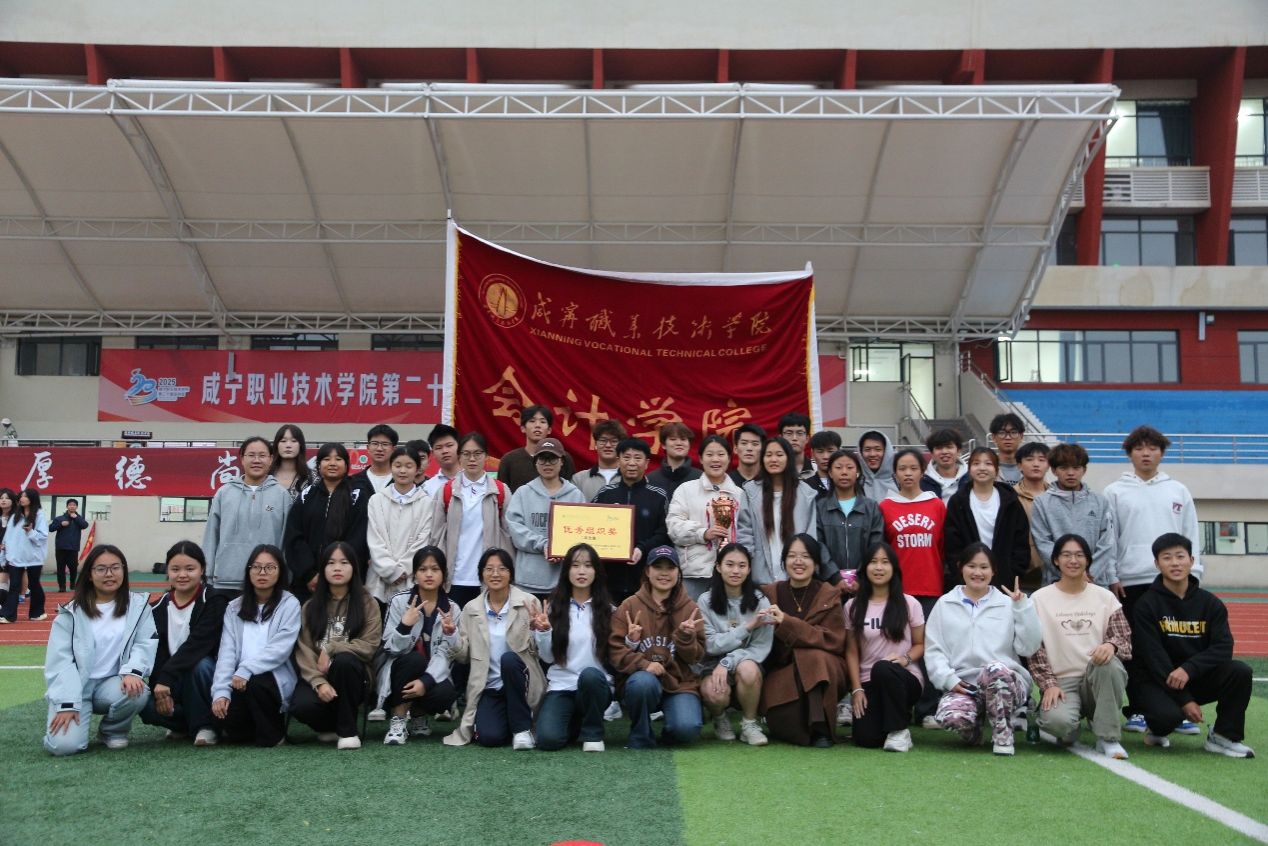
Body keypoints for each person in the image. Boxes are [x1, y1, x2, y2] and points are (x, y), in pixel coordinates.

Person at [1104, 426, 1201, 735]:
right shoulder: (1114, 491)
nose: (1146, 454)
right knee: (1134, 648)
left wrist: (1194, 573)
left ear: (1162, 453)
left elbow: (1191, 533)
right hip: (1129, 582)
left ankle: (1178, 707)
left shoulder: (1178, 490)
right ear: (1129, 453)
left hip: (1173, 581)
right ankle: (1138, 709)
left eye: (1152, 448)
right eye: (1139, 448)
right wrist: (1112, 574)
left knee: (1175, 646)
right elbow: (1109, 537)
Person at [1128, 533, 1254, 757]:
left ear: (1192, 560)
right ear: (1157, 564)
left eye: (1180, 556)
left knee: (1239, 671)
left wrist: (1189, 669)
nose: (1175, 563)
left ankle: (1224, 736)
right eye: (1167, 558)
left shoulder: (1210, 603)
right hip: (1156, 681)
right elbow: (1153, 658)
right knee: (1168, 717)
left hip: (1193, 677)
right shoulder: (1146, 605)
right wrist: (1184, 700)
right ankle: (1157, 728)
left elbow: (1223, 647)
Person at [924, 543, 1042, 756]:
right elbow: (934, 650)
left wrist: (1022, 607)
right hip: (965, 686)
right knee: (951, 718)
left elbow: (1029, 647)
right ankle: (974, 729)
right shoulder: (945, 604)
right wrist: (949, 680)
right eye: (971, 566)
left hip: (1005, 681)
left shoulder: (1008, 604)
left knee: (994, 669)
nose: (977, 572)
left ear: (993, 571)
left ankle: (1003, 735)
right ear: (961, 568)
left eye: (984, 567)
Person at [43, 544, 156, 755]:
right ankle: (60, 727)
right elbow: (60, 661)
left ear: (123, 570)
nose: (109, 574)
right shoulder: (71, 613)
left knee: (138, 691)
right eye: (101, 569)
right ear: (89, 574)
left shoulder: (139, 606)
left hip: (112, 684)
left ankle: (112, 731)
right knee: (64, 747)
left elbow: (144, 644)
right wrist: (67, 703)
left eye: (115, 567)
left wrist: (133, 672)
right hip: (77, 687)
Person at [1031, 534, 1132, 759]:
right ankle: (1068, 726)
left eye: (1079, 555)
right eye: (1066, 555)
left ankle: (1108, 738)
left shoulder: (1105, 597)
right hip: (1061, 682)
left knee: (1110, 665)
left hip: (1096, 677)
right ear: (1056, 560)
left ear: (1088, 560)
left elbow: (1124, 640)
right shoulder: (1039, 599)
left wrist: (1111, 645)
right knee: (1059, 725)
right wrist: (1048, 684)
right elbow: (1034, 649)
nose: (1073, 560)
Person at [443, 548, 546, 749]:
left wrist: (539, 631)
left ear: (511, 573)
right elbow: (464, 657)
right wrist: (451, 634)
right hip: (490, 686)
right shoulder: (471, 608)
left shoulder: (529, 603)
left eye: (502, 568)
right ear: (481, 574)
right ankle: (509, 722)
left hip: (521, 683)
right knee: (490, 738)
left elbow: (540, 653)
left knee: (509, 659)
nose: (495, 574)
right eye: (489, 569)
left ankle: (522, 730)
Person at [609, 545, 705, 749]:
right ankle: (640, 734)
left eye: (670, 568)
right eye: (658, 567)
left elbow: (696, 658)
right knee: (642, 683)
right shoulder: (630, 605)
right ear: (647, 571)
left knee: (686, 728)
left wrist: (686, 638)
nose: (664, 573)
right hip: (642, 681)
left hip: (679, 682)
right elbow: (614, 650)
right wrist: (643, 663)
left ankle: (670, 730)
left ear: (678, 572)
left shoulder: (690, 608)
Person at [877, 448, 946, 725]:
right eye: (902, 469)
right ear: (894, 473)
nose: (907, 473)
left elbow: (942, 546)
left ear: (922, 472)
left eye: (913, 468)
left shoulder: (936, 505)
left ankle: (928, 709)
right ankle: (900, 705)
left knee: (927, 648)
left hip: (930, 588)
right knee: (897, 646)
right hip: (897, 591)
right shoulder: (885, 507)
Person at [290, 542, 382, 750]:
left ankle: (348, 732)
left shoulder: (368, 603)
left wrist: (331, 648)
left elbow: (369, 645)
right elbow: (304, 649)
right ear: (322, 569)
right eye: (331, 563)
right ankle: (331, 726)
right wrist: (319, 682)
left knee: (344, 661)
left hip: (355, 676)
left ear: (354, 568)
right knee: (301, 706)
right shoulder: (310, 606)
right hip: (318, 673)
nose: (337, 568)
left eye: (344, 562)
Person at [760, 534, 848, 747]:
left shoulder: (829, 594)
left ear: (816, 563)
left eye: (806, 556)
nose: (798, 562)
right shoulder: (769, 594)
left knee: (813, 655)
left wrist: (787, 623)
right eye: (792, 556)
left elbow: (833, 639)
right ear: (784, 561)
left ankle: (820, 727)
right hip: (784, 669)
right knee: (789, 727)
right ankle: (811, 724)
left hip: (827, 669)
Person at [210, 544, 301, 748]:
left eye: (270, 567)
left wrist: (247, 669)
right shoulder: (234, 607)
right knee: (224, 720)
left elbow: (280, 648)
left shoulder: (289, 604)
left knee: (256, 684)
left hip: (272, 677)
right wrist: (221, 692)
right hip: (238, 679)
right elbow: (227, 652)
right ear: (248, 571)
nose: (262, 572)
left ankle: (275, 735)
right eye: (256, 567)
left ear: (280, 572)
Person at [531, 543, 616, 752]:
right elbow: (548, 658)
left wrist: (631, 640)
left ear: (596, 571)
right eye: (575, 565)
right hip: (562, 685)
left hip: (596, 686)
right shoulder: (553, 609)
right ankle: (576, 721)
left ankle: (593, 733)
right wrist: (543, 632)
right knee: (548, 740)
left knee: (590, 675)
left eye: (588, 565)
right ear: (566, 571)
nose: (581, 571)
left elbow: (616, 655)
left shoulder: (609, 610)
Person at [140, 541, 226, 747]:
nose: (182, 575)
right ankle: (185, 725)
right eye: (175, 569)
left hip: (207, 678)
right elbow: (157, 653)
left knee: (200, 665)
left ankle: (205, 726)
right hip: (174, 680)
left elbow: (198, 645)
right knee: (143, 703)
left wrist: (166, 678)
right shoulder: (156, 608)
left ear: (202, 570)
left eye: (190, 569)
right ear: (167, 571)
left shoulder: (214, 600)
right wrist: (160, 688)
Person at [376, 546, 461, 746]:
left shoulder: (453, 609)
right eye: (423, 569)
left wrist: (426, 681)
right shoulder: (398, 601)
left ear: (444, 574)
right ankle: (398, 719)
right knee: (414, 659)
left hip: (431, 674)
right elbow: (389, 648)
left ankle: (418, 714)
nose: (429, 574)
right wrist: (404, 626)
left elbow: (448, 654)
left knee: (445, 693)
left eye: (435, 569)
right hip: (399, 672)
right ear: (415, 574)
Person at [845, 542, 925, 751]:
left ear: (894, 568)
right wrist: (856, 689)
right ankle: (891, 721)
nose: (879, 567)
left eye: (885, 562)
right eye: (873, 562)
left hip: (903, 677)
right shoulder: (852, 606)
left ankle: (899, 731)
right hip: (869, 681)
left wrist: (905, 659)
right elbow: (851, 651)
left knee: (883, 668)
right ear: (865, 568)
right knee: (866, 739)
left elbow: (920, 644)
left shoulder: (910, 603)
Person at [697, 543, 772, 746]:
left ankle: (749, 724)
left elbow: (760, 648)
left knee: (748, 669)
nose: (736, 571)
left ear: (749, 569)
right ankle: (720, 718)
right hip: (713, 661)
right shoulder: (705, 600)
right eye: (729, 565)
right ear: (718, 567)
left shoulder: (761, 601)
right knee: (714, 693)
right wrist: (747, 627)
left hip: (748, 660)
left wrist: (728, 662)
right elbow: (710, 645)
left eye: (742, 565)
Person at [428, 431, 512, 608]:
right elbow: (435, 536)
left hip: (491, 577)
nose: (472, 459)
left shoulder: (500, 491)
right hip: (455, 577)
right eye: (466, 454)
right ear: (459, 457)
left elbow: (509, 535)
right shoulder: (446, 491)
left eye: (477, 453)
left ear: (486, 456)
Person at [204, 436, 292, 600]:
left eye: (262, 455)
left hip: (267, 582)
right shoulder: (224, 493)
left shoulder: (281, 495)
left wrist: (285, 576)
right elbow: (211, 535)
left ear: (271, 459)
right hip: (225, 581)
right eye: (251, 455)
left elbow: (286, 541)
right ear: (242, 459)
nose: (256, 460)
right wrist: (207, 572)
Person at [284, 442, 370, 602]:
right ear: (318, 465)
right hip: (309, 584)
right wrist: (309, 574)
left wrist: (338, 570)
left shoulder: (357, 496)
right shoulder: (306, 495)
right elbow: (294, 537)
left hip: (346, 581)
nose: (332, 463)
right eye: (326, 459)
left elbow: (359, 538)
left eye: (338, 459)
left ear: (347, 465)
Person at [592, 437, 672, 604]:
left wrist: (642, 549)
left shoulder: (659, 496)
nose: (632, 463)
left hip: (645, 578)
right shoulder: (605, 494)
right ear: (618, 461)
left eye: (637, 458)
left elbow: (664, 533)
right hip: (608, 579)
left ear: (647, 463)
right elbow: (590, 526)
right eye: (626, 457)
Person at [506, 437, 586, 599]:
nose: (547, 464)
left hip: (564, 581)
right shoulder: (523, 493)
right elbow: (515, 529)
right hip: (528, 581)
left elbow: (582, 533)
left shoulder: (575, 495)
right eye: (542, 459)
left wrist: (562, 548)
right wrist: (543, 545)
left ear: (562, 461)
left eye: (552, 458)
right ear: (535, 463)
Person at [667, 435, 744, 600]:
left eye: (721, 454)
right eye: (709, 454)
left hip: (732, 574)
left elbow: (746, 532)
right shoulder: (685, 490)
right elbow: (673, 527)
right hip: (695, 573)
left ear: (729, 458)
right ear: (701, 459)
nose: (715, 459)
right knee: (691, 615)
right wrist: (703, 533)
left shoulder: (740, 494)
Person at [1031, 442, 1117, 590]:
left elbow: (1106, 542)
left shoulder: (1100, 501)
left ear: (1084, 470)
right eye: (1064, 468)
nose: (1070, 473)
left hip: (1095, 582)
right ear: (1054, 470)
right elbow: (1043, 543)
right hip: (1056, 583)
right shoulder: (1041, 503)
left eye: (1076, 468)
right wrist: (1070, 573)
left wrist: (1089, 573)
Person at [735, 437, 818, 586]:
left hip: (797, 574)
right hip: (760, 575)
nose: (773, 459)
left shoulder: (806, 493)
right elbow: (745, 532)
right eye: (768, 455)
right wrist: (746, 562)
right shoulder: (750, 491)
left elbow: (811, 535)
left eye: (779, 455)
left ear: (788, 458)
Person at [943, 447, 1031, 587]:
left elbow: (1020, 541)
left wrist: (1013, 572)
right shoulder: (958, 501)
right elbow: (952, 544)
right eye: (976, 463)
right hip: (968, 578)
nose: (982, 468)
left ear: (996, 470)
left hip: (1004, 579)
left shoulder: (1010, 501)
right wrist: (961, 572)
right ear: (969, 469)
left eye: (988, 463)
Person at [366, 444, 433, 607]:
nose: (403, 471)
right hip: (379, 579)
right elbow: (374, 539)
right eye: (398, 465)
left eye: (408, 466)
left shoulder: (427, 502)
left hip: (411, 579)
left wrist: (403, 569)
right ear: (391, 467)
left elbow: (423, 540)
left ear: (417, 469)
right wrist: (390, 570)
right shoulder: (376, 500)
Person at [814, 449, 884, 591]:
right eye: (838, 468)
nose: (844, 472)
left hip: (864, 584)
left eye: (850, 467)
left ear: (857, 472)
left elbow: (876, 545)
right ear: (830, 473)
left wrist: (860, 577)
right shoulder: (820, 507)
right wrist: (835, 577)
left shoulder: (871, 507)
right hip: (829, 586)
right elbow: (818, 544)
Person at [497, 405, 576, 492]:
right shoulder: (509, 460)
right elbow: (502, 493)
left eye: (542, 422)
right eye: (532, 421)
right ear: (523, 428)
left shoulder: (562, 457)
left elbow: (570, 490)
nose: (537, 425)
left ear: (549, 430)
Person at [0, 488, 48, 623]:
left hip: (34, 558)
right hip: (16, 557)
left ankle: (37, 613)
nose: (22, 498)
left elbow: (43, 537)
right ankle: (9, 615)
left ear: (32, 499)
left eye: (25, 496)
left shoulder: (39, 515)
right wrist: (4, 553)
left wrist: (31, 532)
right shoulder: (15, 516)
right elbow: (8, 536)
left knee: (34, 585)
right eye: (21, 496)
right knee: (14, 585)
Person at [1014, 442, 1050, 592]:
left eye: (1042, 460)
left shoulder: (1058, 496)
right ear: (1019, 465)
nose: (1036, 464)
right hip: (1022, 576)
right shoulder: (1010, 497)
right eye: (1029, 459)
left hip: (1055, 574)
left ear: (1049, 465)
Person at [572, 419, 627, 500]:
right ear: (595, 445)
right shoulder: (579, 479)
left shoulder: (631, 478)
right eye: (603, 440)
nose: (608, 445)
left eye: (614, 441)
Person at [646, 421, 703, 500]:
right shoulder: (650, 480)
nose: (679, 443)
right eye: (673, 439)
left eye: (683, 439)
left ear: (689, 445)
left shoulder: (701, 478)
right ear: (663, 445)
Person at [51, 497, 89, 592]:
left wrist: (76, 517)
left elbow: (85, 525)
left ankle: (72, 584)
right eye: (70, 505)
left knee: (73, 568)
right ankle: (62, 587)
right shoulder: (60, 518)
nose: (72, 506)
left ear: (76, 507)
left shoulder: (79, 518)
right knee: (60, 568)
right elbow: (51, 528)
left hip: (73, 547)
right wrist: (60, 524)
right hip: (61, 547)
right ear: (67, 506)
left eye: (74, 505)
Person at [920, 428, 967, 501]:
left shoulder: (971, 479)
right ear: (932, 453)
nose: (944, 452)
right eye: (939, 448)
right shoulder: (922, 481)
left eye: (949, 447)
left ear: (958, 451)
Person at [270, 424, 313, 499]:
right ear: (276, 445)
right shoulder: (266, 476)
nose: (288, 445)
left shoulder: (311, 477)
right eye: (283, 441)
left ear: (300, 445)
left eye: (294, 441)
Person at [421, 424, 462, 497]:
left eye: (449, 445)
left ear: (459, 447)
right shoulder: (427, 488)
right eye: (439, 448)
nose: (445, 451)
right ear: (433, 453)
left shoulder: (474, 481)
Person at [359, 424, 400, 494]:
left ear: (394, 449)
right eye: (375, 443)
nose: (379, 449)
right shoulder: (353, 481)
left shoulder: (402, 480)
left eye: (385, 444)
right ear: (368, 448)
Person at [857, 430, 897, 500]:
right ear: (860, 452)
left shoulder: (899, 482)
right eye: (867, 450)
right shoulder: (855, 483)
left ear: (887, 452)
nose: (872, 454)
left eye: (878, 449)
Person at [989, 413, 1025, 486]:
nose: (1008, 437)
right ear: (993, 437)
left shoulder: (1031, 467)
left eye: (1013, 432)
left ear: (1021, 436)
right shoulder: (987, 468)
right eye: (1002, 433)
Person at [778, 412, 816, 480]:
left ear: (807, 438)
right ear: (780, 438)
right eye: (789, 433)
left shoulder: (816, 470)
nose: (794, 438)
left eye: (800, 433)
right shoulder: (774, 469)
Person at [804, 430, 842, 497]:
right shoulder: (805, 486)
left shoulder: (847, 483)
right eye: (820, 451)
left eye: (830, 451)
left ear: (839, 452)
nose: (825, 457)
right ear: (812, 454)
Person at [0, 488, 15, 607]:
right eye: (1, 498)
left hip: (10, 555)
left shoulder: (17, 518)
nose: (3, 500)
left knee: (3, 581)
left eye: (6, 498)